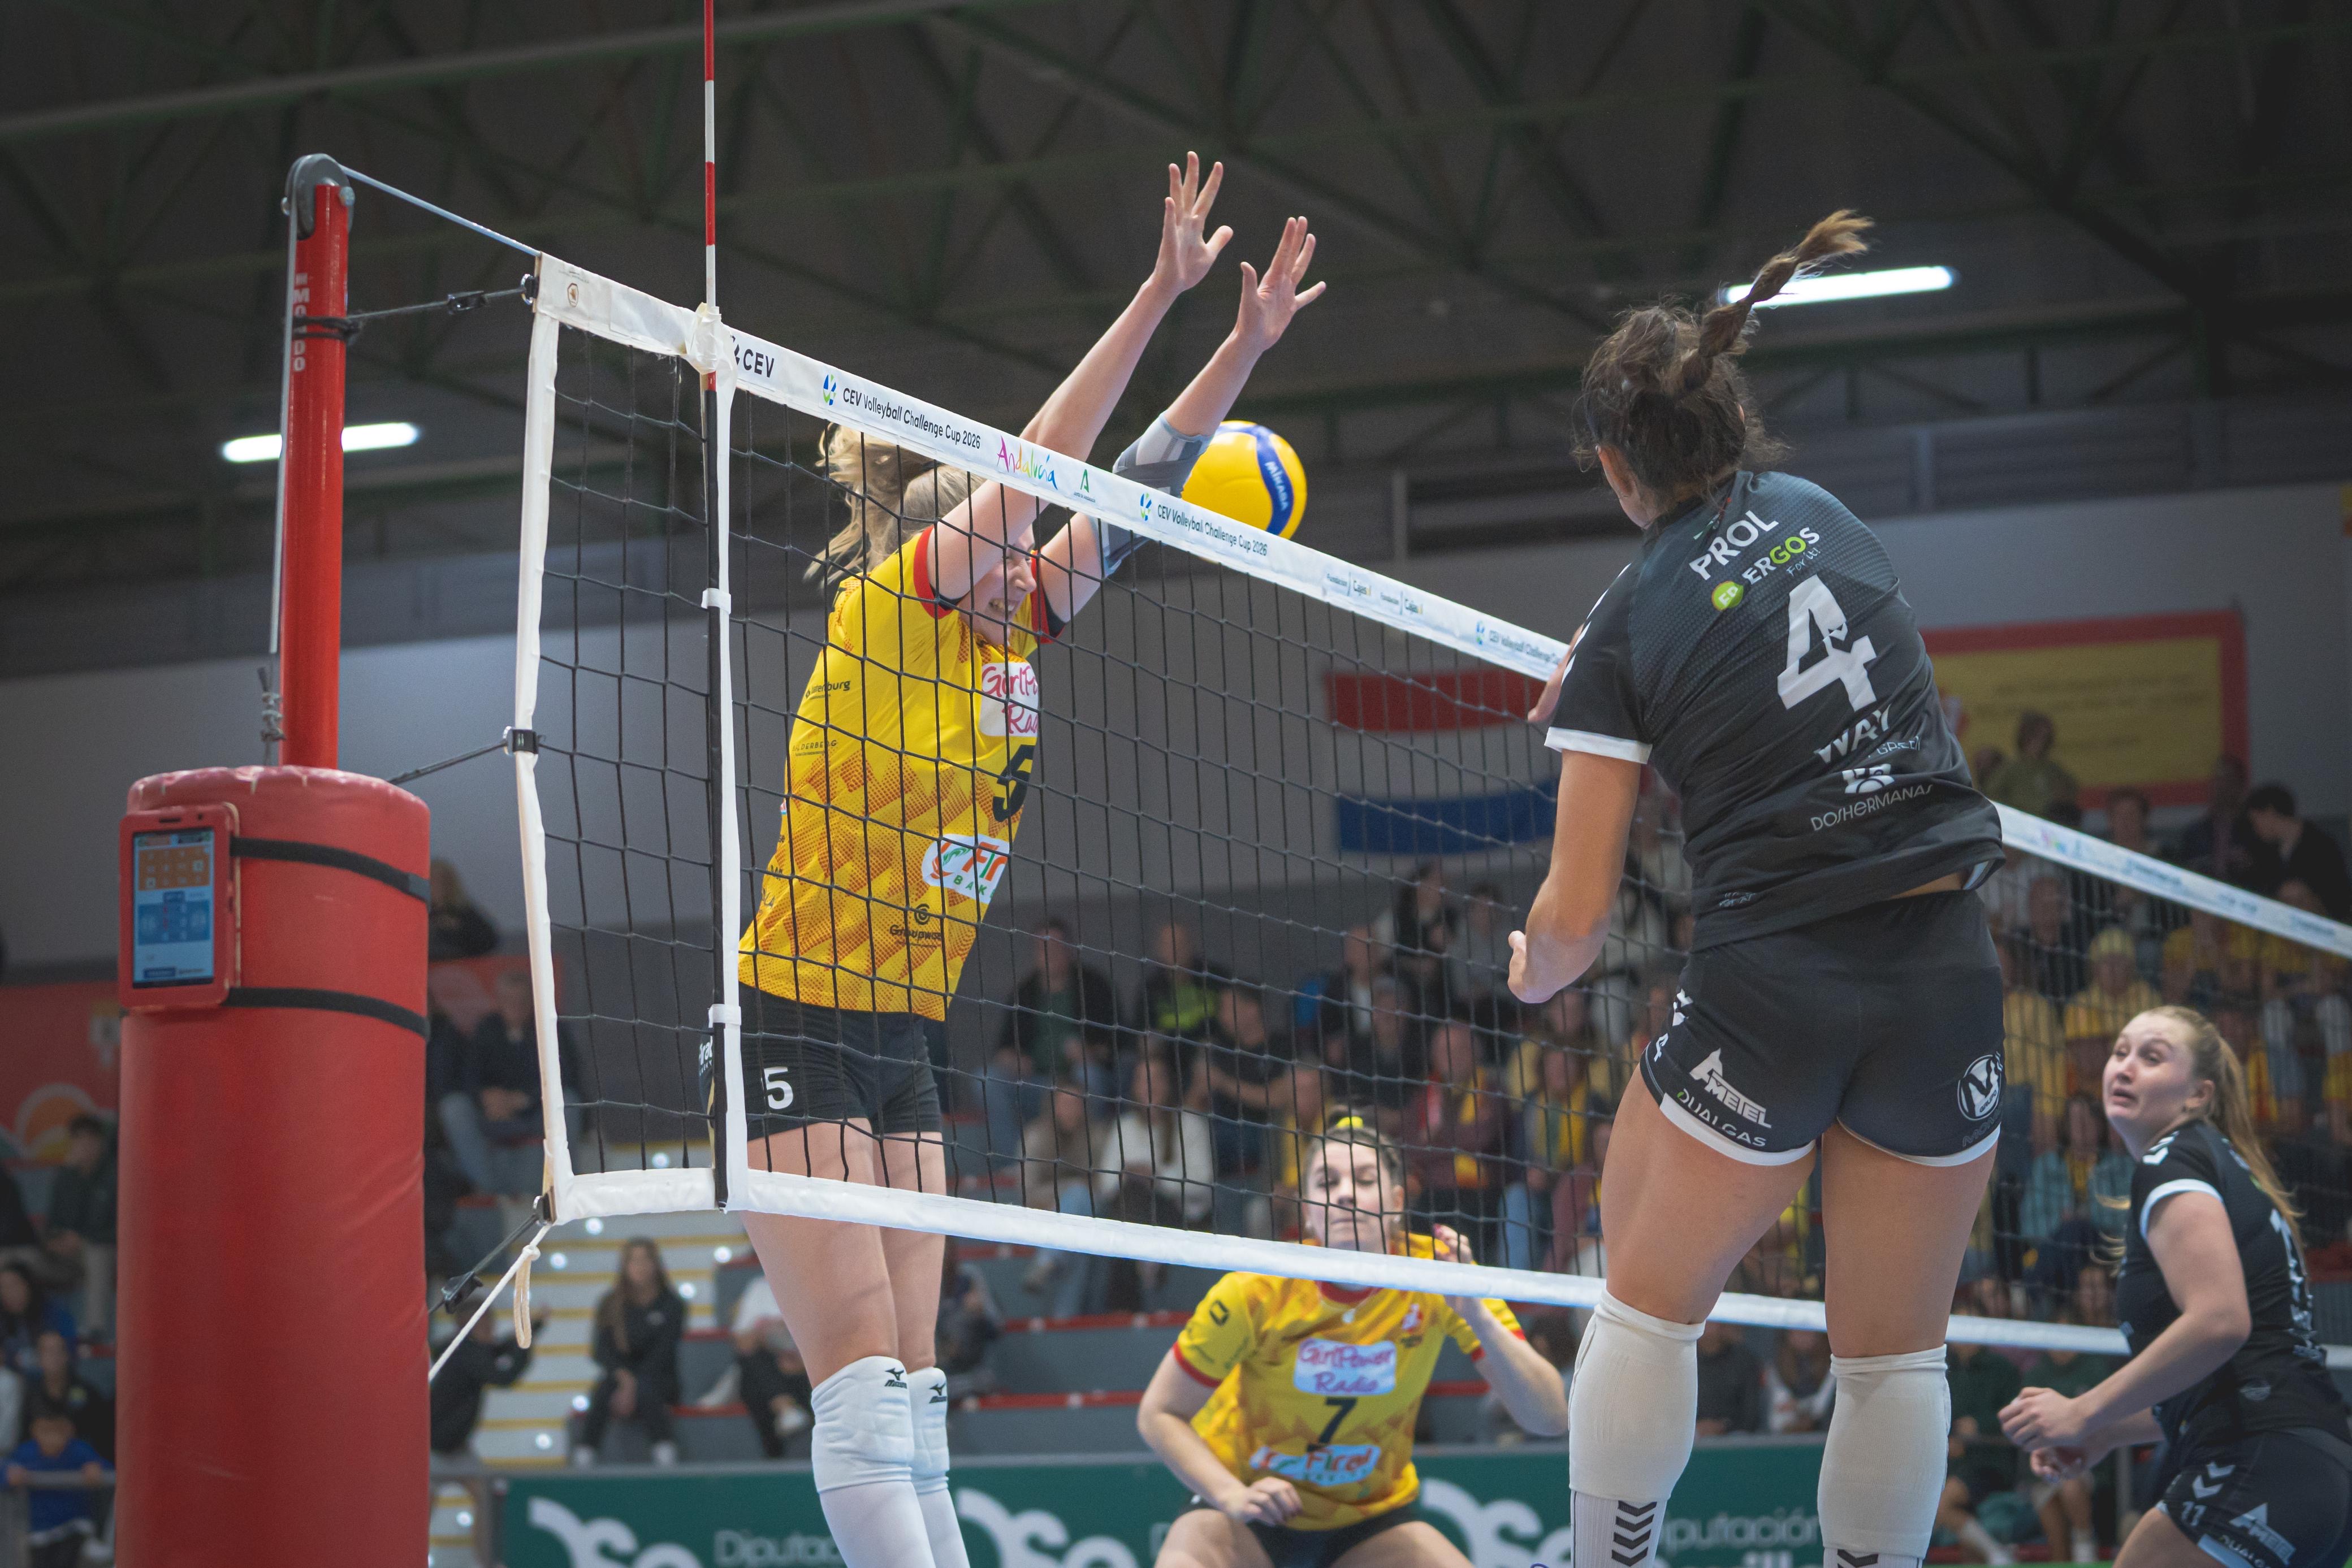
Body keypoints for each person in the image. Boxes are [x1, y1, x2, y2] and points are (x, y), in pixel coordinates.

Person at [729, 157, 1323, 1568]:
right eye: (1004, 548)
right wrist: (1156, 293)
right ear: (948, 550)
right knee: (861, 1384)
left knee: (918, 1394)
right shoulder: (890, 613)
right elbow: (1046, 464)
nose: (1030, 564)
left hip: (903, 1035)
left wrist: (1240, 345)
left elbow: (1139, 487)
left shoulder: (1010, 644)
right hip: (796, 1017)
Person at [1506, 211, 2009, 1568]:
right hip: (1942, 965)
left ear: (1615, 467)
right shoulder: (1825, 513)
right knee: (1895, 1361)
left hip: (1774, 979)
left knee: (1645, 1308)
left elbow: (1573, 924)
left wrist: (1527, 970)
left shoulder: (1623, 627)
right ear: (1730, 420)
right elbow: (1757, 603)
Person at [2001, 1007, 2352, 1568]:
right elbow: (2227, 1375)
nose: (2124, 1066)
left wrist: (2083, 1411)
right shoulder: (2219, 1163)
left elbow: (2220, 1323)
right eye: (2119, 1052)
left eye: (2152, 1057)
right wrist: (2105, 1434)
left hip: (2259, 1461)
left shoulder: (2173, 1159)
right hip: (2314, 1470)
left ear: (2197, 1095)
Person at [1136, 1119, 1567, 1568]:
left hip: (1369, 1523)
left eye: (1364, 1180)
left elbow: (1550, 1418)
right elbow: (1159, 1413)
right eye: (1328, 1183)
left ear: (1396, 1202)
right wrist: (1230, 1495)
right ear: (1307, 1210)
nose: (1345, 1194)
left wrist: (1478, 1317)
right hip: (1245, 1513)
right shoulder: (1256, 1289)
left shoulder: (1439, 1272)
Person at [440, 966, 579, 1197]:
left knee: (569, 1104)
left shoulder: (552, 1029)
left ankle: (556, 1186)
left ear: (532, 1001)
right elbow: (469, 1076)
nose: (515, 1006)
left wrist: (525, 1100)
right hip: (494, 1115)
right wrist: (487, 1099)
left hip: (536, 1114)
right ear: (498, 1001)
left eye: (521, 1001)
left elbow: (567, 1077)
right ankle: (487, 1186)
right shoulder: (487, 1028)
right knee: (454, 1108)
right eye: (508, 1000)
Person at [575, 1237, 685, 1467]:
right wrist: (624, 1377)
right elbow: (601, 1349)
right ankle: (586, 1451)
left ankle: (664, 1448)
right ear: (625, 1266)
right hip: (619, 1376)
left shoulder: (672, 1304)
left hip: (659, 1378)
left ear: (656, 1264)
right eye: (634, 1261)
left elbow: (664, 1352)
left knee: (647, 1389)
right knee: (602, 1391)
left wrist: (634, 1384)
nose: (640, 1267)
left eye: (645, 1260)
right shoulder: (610, 1304)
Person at [1404, 1018, 1507, 1264]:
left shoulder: (1492, 1091)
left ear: (1475, 1053)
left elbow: (1483, 1137)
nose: (1451, 1057)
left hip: (1479, 1194)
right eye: (1444, 1050)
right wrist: (1458, 1143)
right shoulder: (1425, 1094)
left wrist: (1435, 1140)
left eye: (1459, 1049)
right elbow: (1410, 1147)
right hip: (1431, 1193)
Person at [2017, 1313, 2115, 1566]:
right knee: (2053, 1527)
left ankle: (2085, 1544)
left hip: (2090, 1462)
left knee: (2071, 1485)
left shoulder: (2096, 1369)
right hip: (2046, 1464)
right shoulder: (2036, 1374)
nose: (2060, 1345)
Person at [1943, 1336, 2026, 1565]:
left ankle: (1997, 1555)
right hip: (1952, 1463)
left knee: (1941, 1503)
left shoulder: (2002, 1369)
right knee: (1969, 1555)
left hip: (1993, 1461)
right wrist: (1948, 1442)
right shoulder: (1944, 1369)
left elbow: (2017, 1414)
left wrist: (1980, 1426)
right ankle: (1995, 1554)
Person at [40, 1116, 115, 1337]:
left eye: (90, 1140)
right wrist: (57, 1240)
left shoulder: (116, 1175)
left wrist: (83, 1239)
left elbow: (121, 1228)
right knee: (23, 1264)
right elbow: (53, 1222)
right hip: (68, 1254)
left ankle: (95, 1329)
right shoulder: (66, 1176)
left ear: (101, 1143)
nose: (85, 1146)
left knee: (96, 1255)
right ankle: (38, 1333)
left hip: (106, 1249)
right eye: (79, 1140)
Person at [431, 1307, 539, 1460]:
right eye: (487, 1327)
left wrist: (530, 1330)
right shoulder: (467, 1355)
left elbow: (500, 1348)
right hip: (439, 1448)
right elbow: (504, 1377)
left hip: (449, 1445)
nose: (492, 1331)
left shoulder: (462, 1350)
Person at [6, 1407, 109, 1568]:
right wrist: (10, 1474)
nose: (52, 1438)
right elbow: (6, 1470)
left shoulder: (79, 1450)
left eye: (58, 1431)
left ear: (69, 1430)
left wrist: (96, 1468)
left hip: (73, 1526)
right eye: (46, 1431)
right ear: (34, 1431)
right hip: (39, 1529)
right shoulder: (26, 1453)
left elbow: (107, 1470)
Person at [2244, 785, 2351, 920]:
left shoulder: (2322, 846)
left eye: (2255, 820)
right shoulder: (2266, 852)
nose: (2255, 828)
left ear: (2270, 812)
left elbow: (2338, 897)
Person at [2168, 757, 2260, 890]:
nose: (2220, 787)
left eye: (2227, 780)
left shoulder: (2256, 831)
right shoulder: (2194, 834)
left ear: (2240, 786)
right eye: (2216, 780)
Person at [1984, 712, 2078, 821]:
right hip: (2021, 820)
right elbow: (1992, 794)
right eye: (2036, 736)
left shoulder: (2052, 768)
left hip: (2051, 820)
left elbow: (2073, 790)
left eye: (2045, 738)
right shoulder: (2011, 767)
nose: (2040, 742)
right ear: (2025, 737)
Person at [0, 1265, 73, 1378]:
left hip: (53, 1379)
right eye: (3, 1288)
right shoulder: (4, 1317)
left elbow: (67, 1352)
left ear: (28, 1284)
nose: (9, 1293)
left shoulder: (53, 1311)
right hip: (16, 1378)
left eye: (14, 1285)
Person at [1694, 1320, 1763, 1436]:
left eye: (1713, 1320)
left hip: (1736, 1438)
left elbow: (1751, 1415)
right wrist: (1696, 1428)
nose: (1708, 1325)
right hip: (1688, 1435)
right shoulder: (1681, 1359)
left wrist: (1723, 1427)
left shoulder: (1744, 1361)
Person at [1765, 1327, 1835, 1434]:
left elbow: (1821, 1406)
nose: (1802, 1338)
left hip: (1822, 1429)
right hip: (1787, 1430)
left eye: (1807, 1333)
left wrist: (1799, 1406)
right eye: (1798, 1332)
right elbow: (1780, 1407)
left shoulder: (1831, 1364)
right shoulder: (1778, 1365)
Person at [427, 859, 500, 959]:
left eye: (440, 882)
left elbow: (489, 941)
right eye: (432, 881)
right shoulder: (417, 914)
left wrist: (458, 928)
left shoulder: (464, 913)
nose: (435, 886)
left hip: (458, 966)